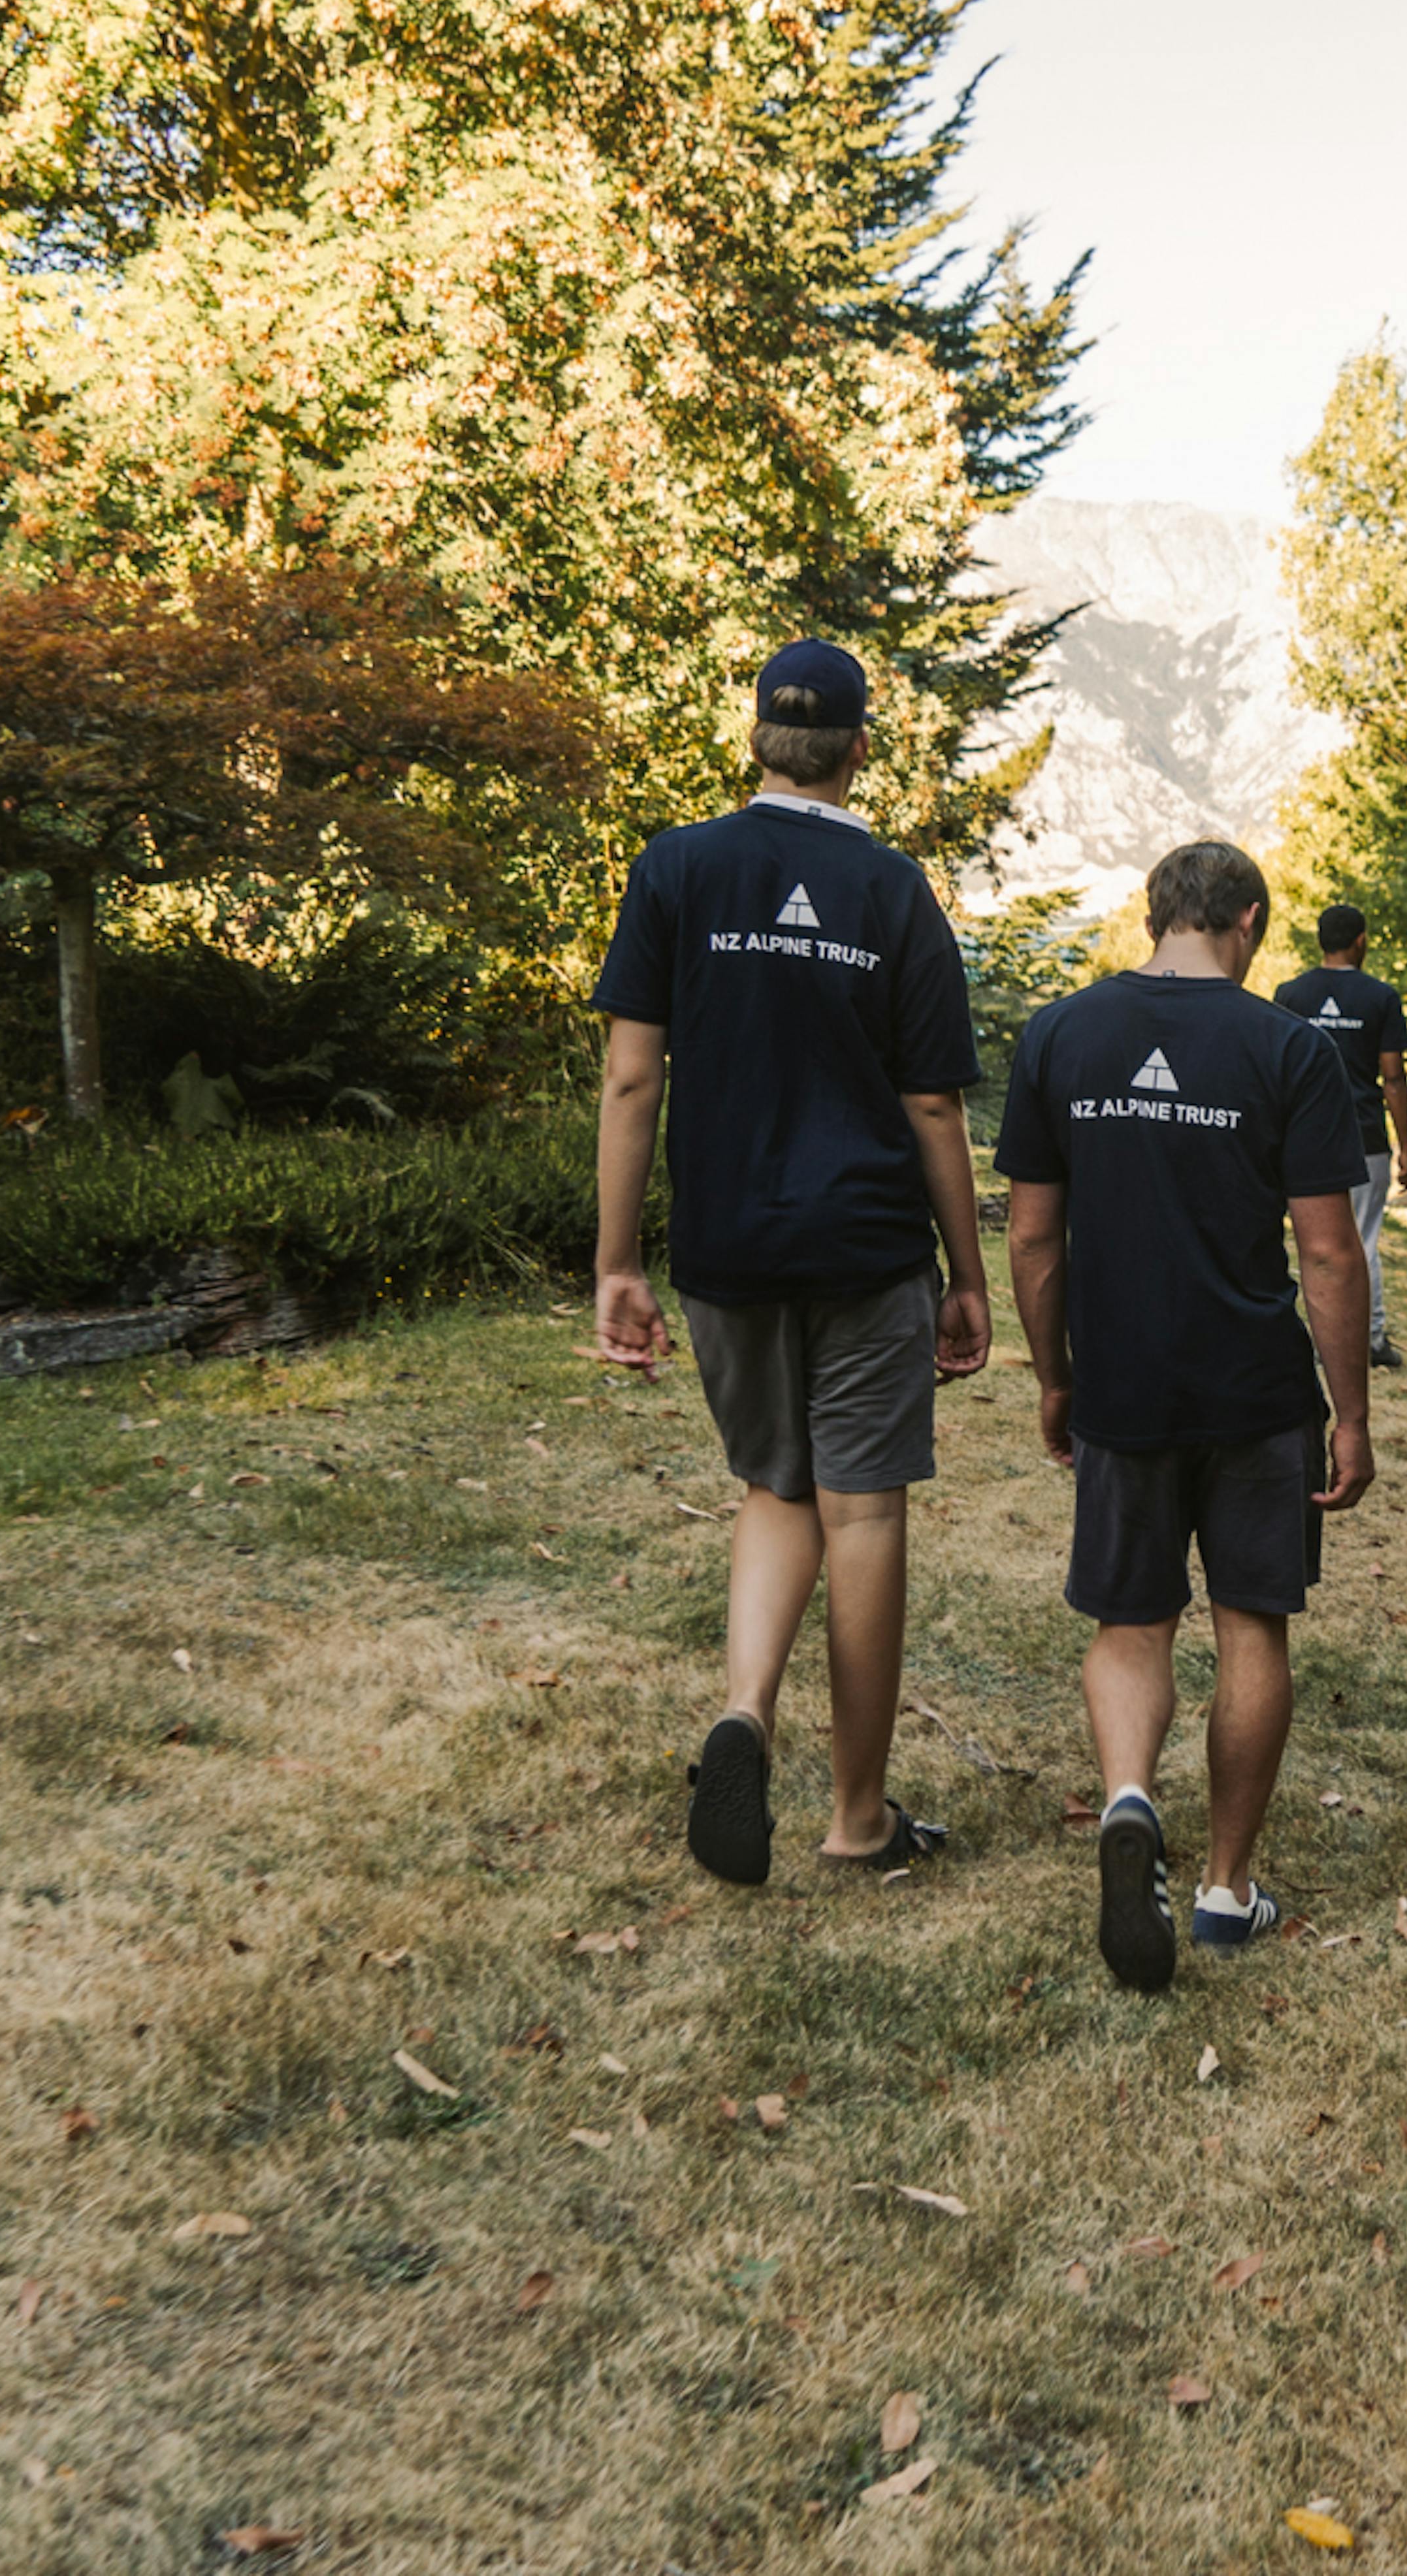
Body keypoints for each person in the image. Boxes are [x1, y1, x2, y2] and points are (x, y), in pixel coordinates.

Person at [589, 637, 990, 1888]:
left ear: (757, 737)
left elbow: (631, 1074)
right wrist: (968, 1277)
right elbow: (934, 1109)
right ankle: (857, 1816)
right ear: (860, 748)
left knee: (774, 1488)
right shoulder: (894, 893)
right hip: (868, 1249)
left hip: (726, 1245)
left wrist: (615, 1261)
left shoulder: (678, 868)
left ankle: (746, 1712)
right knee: (860, 1512)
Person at [999, 840, 1378, 1994]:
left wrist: (1055, 1377)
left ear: (1152, 913)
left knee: (1131, 1626)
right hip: (1255, 1390)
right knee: (1251, 1628)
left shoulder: (1061, 1035)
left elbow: (1030, 1237)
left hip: (1124, 1380)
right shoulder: (1287, 1048)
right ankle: (1223, 1889)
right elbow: (1326, 1251)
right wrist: (1349, 1412)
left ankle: (1128, 1799)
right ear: (1251, 922)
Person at [1272, 902, 1407, 1370]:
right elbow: (1393, 1077)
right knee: (1363, 1238)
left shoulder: (1289, 995)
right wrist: (1406, 1148)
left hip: (1300, 1134)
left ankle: (1301, 1331)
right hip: (1364, 1135)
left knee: (1305, 1242)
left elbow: (1275, 1071)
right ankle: (1370, 1339)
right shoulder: (1380, 996)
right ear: (1361, 941)